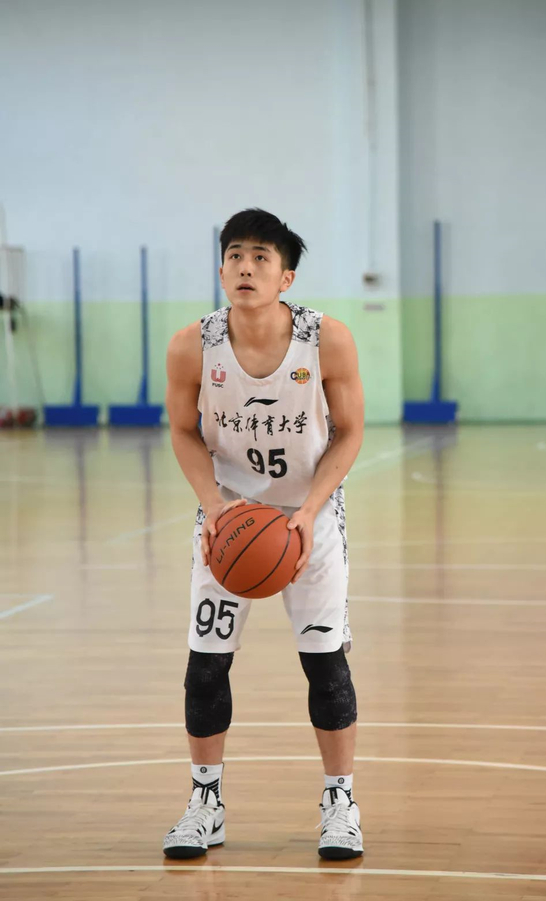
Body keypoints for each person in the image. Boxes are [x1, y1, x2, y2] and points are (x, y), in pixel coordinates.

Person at [163, 208, 365, 860]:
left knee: (325, 665)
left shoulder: (326, 339)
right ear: (222, 269)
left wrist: (308, 512)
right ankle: (205, 803)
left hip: (310, 518)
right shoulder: (192, 345)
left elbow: (350, 431)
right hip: (229, 518)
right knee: (205, 664)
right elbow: (183, 431)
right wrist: (213, 507)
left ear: (286, 276)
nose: (245, 267)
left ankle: (340, 803)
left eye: (260, 257)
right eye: (235, 256)